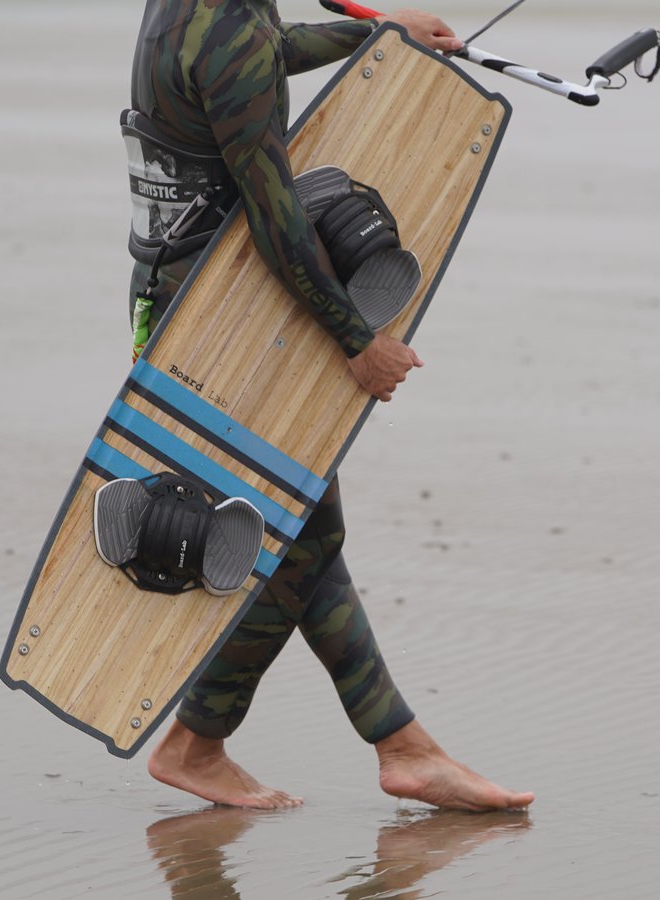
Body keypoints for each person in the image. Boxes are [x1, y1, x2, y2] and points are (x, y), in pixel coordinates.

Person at [125, 0, 534, 812]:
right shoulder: (231, 31)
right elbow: (277, 217)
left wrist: (376, 35)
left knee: (305, 527)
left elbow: (264, 53)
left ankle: (387, 748)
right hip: (224, 319)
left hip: (180, 294)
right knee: (299, 532)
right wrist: (358, 339)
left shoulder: (201, 9)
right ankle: (215, 744)